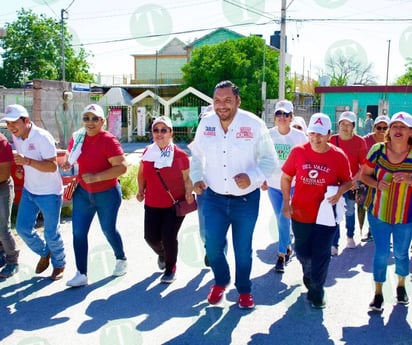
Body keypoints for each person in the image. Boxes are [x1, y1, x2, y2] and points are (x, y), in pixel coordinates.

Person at [190, 80, 277, 309]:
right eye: (217, 100)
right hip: (214, 198)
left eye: (228, 100)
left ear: (238, 101)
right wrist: (196, 177)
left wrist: (253, 177)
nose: (222, 105)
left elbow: (270, 160)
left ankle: (244, 290)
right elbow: (197, 155)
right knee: (212, 247)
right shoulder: (206, 124)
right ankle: (221, 280)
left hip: (246, 201)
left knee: (242, 250)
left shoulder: (254, 124)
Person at [281, 112, 352, 308]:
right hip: (301, 213)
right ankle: (309, 273)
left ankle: (317, 290)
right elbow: (286, 177)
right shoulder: (298, 152)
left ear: (329, 134)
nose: (316, 138)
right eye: (312, 133)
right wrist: (286, 202)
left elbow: (348, 182)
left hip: (326, 216)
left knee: (321, 253)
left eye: (320, 134)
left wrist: (339, 192)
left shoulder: (338, 156)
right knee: (302, 252)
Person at [64, 104, 128, 287]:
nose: (90, 122)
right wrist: (68, 163)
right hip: (83, 193)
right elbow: (71, 155)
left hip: (107, 194)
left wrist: (96, 177)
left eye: (95, 118)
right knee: (78, 232)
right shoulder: (78, 137)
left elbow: (122, 167)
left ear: (102, 121)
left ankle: (121, 258)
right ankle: (81, 273)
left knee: (108, 229)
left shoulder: (109, 140)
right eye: (86, 118)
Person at [1, 104, 66, 280]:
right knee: (22, 229)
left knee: (51, 233)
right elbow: (26, 162)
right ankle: (46, 252)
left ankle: (59, 264)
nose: (12, 127)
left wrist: (27, 162)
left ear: (27, 120)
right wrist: (24, 168)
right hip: (30, 191)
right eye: (8, 123)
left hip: (50, 193)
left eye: (15, 122)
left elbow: (52, 166)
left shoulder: (43, 137)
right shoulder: (17, 136)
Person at [360, 111, 412, 312]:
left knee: (400, 253)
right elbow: (363, 176)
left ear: (410, 132)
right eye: (395, 126)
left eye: (403, 127)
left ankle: (400, 286)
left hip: (406, 216)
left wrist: (409, 180)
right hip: (378, 213)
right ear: (389, 130)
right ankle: (378, 293)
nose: (398, 130)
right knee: (381, 253)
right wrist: (376, 184)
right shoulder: (377, 150)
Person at [137, 116, 193, 283]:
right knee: (151, 237)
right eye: (156, 130)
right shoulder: (148, 152)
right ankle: (163, 254)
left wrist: (189, 193)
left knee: (168, 236)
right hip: (152, 203)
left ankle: (170, 268)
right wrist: (140, 190)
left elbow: (187, 179)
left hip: (174, 204)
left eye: (164, 130)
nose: (159, 133)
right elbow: (141, 174)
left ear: (171, 133)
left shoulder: (180, 155)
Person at [264, 100, 307, 273]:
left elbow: (306, 159)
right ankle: (288, 246)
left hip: (293, 185)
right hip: (274, 185)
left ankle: (281, 255)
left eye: (286, 114)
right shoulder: (268, 135)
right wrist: (262, 178)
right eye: (279, 114)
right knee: (280, 219)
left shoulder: (299, 137)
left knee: (283, 217)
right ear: (275, 117)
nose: (282, 117)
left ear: (291, 117)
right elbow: (262, 157)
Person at [330, 111, 367, 255]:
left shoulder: (359, 141)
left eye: (348, 124)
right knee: (334, 213)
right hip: (334, 184)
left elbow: (363, 164)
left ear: (353, 126)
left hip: (351, 183)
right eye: (342, 124)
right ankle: (334, 244)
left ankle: (350, 235)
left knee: (350, 212)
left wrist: (355, 180)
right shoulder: (331, 140)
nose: (345, 127)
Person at [358, 115, 390, 242]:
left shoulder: (393, 142)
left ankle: (374, 232)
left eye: (385, 128)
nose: (382, 130)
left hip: (383, 180)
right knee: (362, 206)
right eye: (379, 127)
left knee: (380, 206)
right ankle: (360, 231)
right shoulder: (365, 140)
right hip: (365, 177)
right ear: (373, 127)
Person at [0, 132, 19, 278]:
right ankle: (2, 253)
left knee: (3, 228)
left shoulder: (2, 142)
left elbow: (4, 174)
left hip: (2, 187)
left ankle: (13, 261)